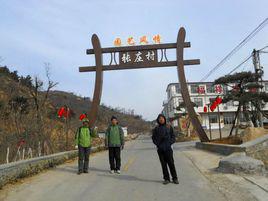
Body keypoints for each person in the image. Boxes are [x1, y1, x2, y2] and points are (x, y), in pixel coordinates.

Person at [152, 114, 179, 185]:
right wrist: (158, 144)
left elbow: (173, 137)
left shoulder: (169, 127)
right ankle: (166, 179)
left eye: (162, 118)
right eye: (159, 118)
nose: (161, 119)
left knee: (171, 163)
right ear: (158, 120)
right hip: (160, 150)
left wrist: (169, 143)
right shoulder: (156, 128)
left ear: (164, 119)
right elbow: (153, 138)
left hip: (168, 149)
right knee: (163, 165)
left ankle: (175, 178)